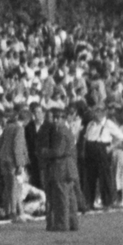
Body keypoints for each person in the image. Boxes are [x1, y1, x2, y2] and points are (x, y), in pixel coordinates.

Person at [39, 100, 81, 233]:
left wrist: (44, 152)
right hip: (68, 168)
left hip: (62, 168)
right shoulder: (64, 130)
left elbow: (58, 152)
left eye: (58, 118)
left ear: (64, 119)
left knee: (62, 198)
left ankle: (63, 224)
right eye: (54, 118)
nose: (56, 120)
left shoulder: (61, 131)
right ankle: (72, 223)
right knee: (69, 198)